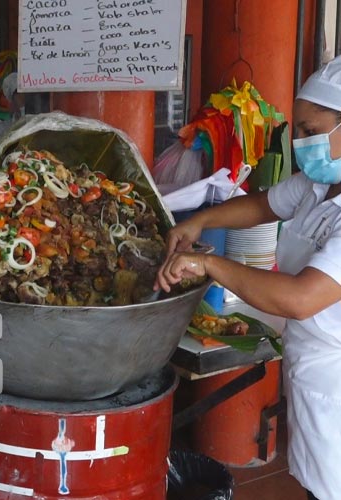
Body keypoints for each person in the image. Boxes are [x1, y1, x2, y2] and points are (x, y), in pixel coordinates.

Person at [155, 56, 341, 500]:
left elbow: (300, 297)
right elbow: (263, 205)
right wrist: (199, 222)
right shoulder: (320, 186)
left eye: (312, 132)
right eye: (297, 129)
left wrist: (211, 264)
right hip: (312, 362)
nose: (299, 142)